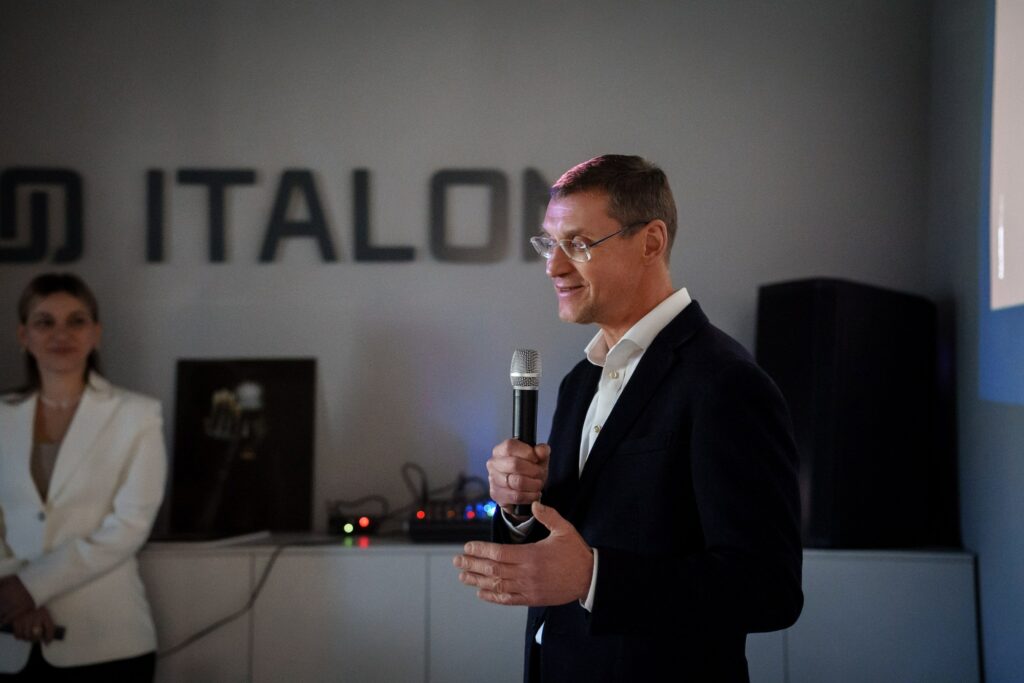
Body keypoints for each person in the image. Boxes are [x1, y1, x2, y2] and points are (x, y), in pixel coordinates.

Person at [453, 155, 803, 682]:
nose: (553, 267)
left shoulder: (726, 383)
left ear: (651, 242)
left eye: (578, 243)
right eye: (549, 244)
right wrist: (519, 506)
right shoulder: (579, 382)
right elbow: (563, 547)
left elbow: (769, 590)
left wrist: (594, 578)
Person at [0, 273, 167, 680]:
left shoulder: (138, 415)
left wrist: (30, 587)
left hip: (106, 640)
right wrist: (12, 595)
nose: (61, 334)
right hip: (10, 637)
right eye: (45, 322)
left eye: (76, 321)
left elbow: (129, 526)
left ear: (95, 334)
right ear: (24, 335)